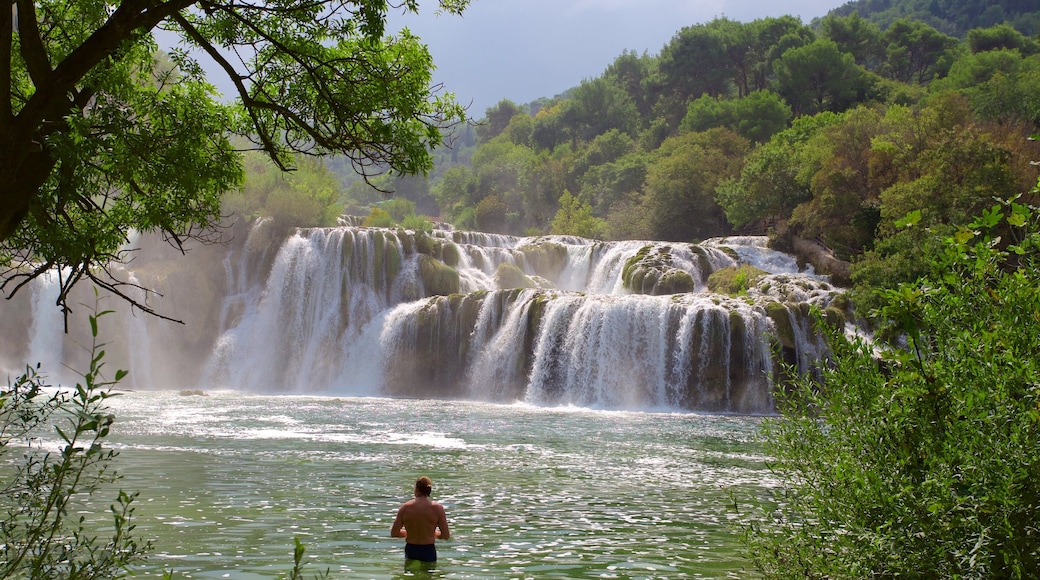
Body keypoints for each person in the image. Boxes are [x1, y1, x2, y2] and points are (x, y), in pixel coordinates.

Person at [391, 476, 450, 564]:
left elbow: (394, 533)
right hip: (428, 549)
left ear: (416, 489)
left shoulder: (405, 507)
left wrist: (411, 533)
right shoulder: (437, 509)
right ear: (429, 490)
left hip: (411, 548)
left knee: (409, 575)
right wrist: (430, 534)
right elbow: (445, 535)